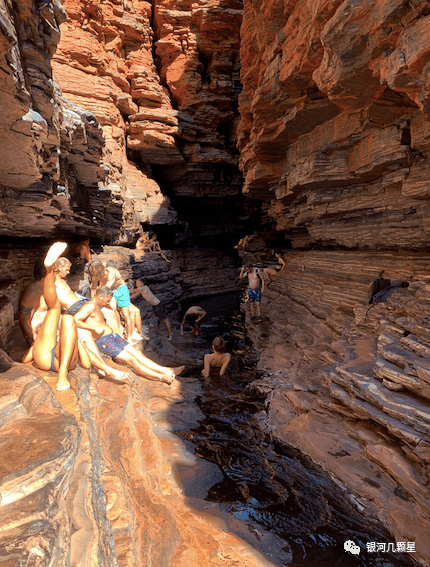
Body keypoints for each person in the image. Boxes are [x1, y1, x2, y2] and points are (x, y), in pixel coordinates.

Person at [74, 286, 184, 384]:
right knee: (131, 359)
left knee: (137, 353)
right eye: (107, 300)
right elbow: (75, 320)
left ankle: (166, 370)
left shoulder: (97, 306)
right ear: (100, 297)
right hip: (104, 341)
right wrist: (93, 328)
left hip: (113, 337)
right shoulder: (89, 306)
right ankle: (160, 377)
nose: (108, 303)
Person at [22, 242, 91, 391]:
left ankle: (48, 269)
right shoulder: (67, 333)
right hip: (61, 363)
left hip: (43, 358)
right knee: (66, 317)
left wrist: (35, 341)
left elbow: (25, 360)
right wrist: (75, 339)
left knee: (54, 309)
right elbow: (86, 364)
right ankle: (62, 375)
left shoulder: (45, 339)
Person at [87, 259, 143, 342]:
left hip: (120, 289)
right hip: (111, 290)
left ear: (99, 268)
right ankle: (119, 327)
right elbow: (93, 289)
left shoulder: (111, 273)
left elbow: (106, 289)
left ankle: (129, 337)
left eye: (94, 271)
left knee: (126, 313)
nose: (93, 273)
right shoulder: (95, 273)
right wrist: (93, 303)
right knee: (112, 306)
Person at [18, 259, 46, 345]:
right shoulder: (32, 292)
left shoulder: (45, 287)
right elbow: (24, 322)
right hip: (35, 337)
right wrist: (39, 342)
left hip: (47, 331)